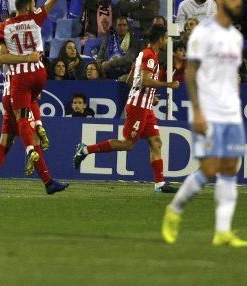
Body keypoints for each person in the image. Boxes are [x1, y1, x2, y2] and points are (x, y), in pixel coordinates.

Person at [161, 0, 247, 247]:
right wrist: (197, 110)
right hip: (209, 110)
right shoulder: (204, 32)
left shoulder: (236, 36)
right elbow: (190, 71)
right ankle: (174, 210)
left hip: (231, 111)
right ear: (221, 0)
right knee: (209, 168)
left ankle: (223, 230)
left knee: (230, 168)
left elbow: (232, 73)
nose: (239, 2)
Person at [75, 24, 180, 192]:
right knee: (127, 144)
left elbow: (132, 80)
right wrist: (168, 84)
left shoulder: (142, 55)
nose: (167, 40)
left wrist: (149, 95)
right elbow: (145, 80)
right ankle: (85, 150)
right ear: (160, 39)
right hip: (138, 107)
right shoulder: (150, 57)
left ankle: (159, 184)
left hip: (144, 106)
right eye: (166, 37)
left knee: (156, 142)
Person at [0, 0, 72, 181]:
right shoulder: (35, 18)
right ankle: (39, 126)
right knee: (28, 111)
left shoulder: (5, 26)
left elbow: (0, 55)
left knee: (21, 119)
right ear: (28, 6)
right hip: (39, 74)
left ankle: (30, 147)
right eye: (33, 4)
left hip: (18, 80)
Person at [0, 67, 66, 194]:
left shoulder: (10, 57)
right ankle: (48, 182)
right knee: (34, 138)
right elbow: (33, 97)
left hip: (8, 96)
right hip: (18, 97)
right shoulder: (23, 60)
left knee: (5, 141)